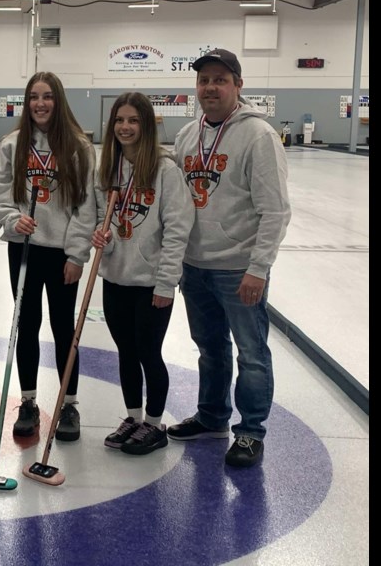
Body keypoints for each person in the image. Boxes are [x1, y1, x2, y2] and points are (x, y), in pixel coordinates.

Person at [169, 49, 291, 468]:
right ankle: (212, 417)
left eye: (220, 79)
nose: (210, 87)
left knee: (251, 353)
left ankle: (251, 432)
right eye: (204, 80)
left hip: (239, 269)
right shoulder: (188, 135)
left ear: (238, 85)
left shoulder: (258, 136)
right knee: (209, 348)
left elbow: (274, 210)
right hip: (195, 266)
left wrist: (259, 268)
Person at [0, 71, 96, 441]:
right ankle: (29, 401)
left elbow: (86, 206)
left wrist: (77, 254)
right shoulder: (12, 145)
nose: (40, 103)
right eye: (34, 96)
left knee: (64, 329)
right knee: (27, 325)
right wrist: (11, 217)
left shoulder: (79, 147)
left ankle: (69, 405)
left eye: (48, 96)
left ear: (59, 100)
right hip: (23, 249)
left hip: (61, 253)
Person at [91, 92, 194, 456]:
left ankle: (154, 424)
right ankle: (133, 417)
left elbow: (178, 229)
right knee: (125, 351)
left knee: (149, 351)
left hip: (151, 283)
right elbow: (104, 220)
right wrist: (102, 236)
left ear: (146, 125)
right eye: (119, 120)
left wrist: (167, 281)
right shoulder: (108, 168)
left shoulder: (165, 171)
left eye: (133, 120)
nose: (125, 127)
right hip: (116, 278)